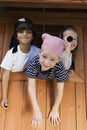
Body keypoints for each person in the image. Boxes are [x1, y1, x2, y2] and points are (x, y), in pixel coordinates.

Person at [25, 33, 69, 127]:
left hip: (52, 75)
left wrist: (55, 108)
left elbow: (60, 89)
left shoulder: (59, 67)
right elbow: (31, 86)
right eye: (44, 56)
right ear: (40, 52)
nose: (46, 62)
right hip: (38, 73)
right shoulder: (34, 62)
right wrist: (36, 109)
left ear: (58, 60)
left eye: (52, 59)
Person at [0, 18, 38, 109]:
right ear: (16, 36)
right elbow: (5, 75)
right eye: (21, 32)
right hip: (15, 92)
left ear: (33, 35)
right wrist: (4, 97)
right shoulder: (12, 53)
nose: (24, 34)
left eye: (28, 32)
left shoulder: (37, 51)